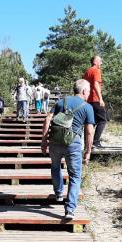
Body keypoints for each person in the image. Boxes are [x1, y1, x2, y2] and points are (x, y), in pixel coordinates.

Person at [41, 79, 94, 220]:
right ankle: (70, 209)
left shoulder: (61, 102)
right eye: (88, 91)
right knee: (75, 176)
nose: (89, 94)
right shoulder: (87, 107)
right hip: (73, 145)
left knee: (55, 167)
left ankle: (58, 193)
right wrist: (88, 151)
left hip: (55, 142)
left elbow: (47, 119)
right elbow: (89, 131)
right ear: (83, 91)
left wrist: (44, 140)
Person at [83, 55, 106, 148]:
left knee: (91, 122)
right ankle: (95, 142)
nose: (101, 63)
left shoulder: (87, 71)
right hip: (95, 99)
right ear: (95, 62)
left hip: (88, 100)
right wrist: (100, 98)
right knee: (102, 120)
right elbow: (96, 84)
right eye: (100, 61)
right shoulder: (96, 70)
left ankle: (88, 143)